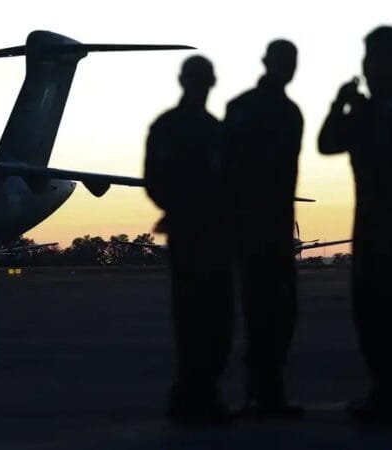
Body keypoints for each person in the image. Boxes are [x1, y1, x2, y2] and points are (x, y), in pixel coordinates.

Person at [318, 25, 392, 423]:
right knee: (372, 314)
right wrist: (340, 105)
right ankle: (386, 391)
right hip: (372, 227)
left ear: (391, 59)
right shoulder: (367, 109)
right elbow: (327, 143)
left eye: (374, 59)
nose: (368, 67)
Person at [144, 55, 233, 423]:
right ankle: (190, 396)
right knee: (193, 318)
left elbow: (230, 179)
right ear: (184, 81)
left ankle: (206, 394)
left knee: (218, 321)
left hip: (214, 235)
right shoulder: (170, 127)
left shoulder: (215, 129)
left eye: (203, 79)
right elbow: (155, 180)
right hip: (189, 234)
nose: (199, 85)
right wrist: (185, 209)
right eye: (195, 78)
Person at [224, 40, 303, 418]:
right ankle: (262, 393)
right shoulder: (249, 109)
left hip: (273, 226)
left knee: (280, 312)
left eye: (292, 62)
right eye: (283, 61)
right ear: (268, 63)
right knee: (263, 312)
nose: (288, 68)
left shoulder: (286, 111)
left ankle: (267, 389)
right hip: (255, 227)